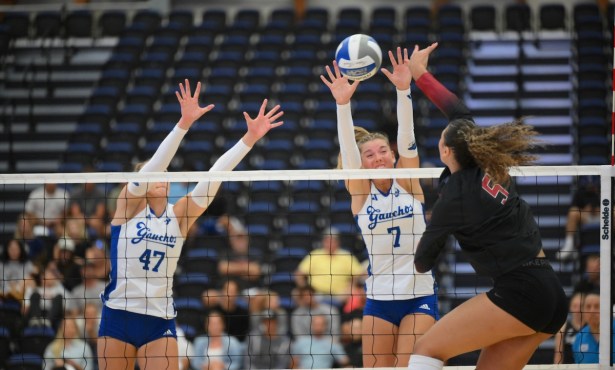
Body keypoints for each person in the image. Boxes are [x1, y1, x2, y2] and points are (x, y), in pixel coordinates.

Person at [98, 79, 283, 370]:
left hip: (159, 319)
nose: (160, 175)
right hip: (118, 313)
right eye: (153, 172)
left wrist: (248, 140)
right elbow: (156, 162)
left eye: (164, 172)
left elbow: (212, 177)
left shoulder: (179, 214)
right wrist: (183, 124)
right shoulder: (127, 209)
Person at [407, 43, 568, 370]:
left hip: (520, 291)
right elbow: (458, 113)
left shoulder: (455, 196)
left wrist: (436, 228)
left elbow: (423, 260)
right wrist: (419, 74)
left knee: (426, 348)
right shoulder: (487, 163)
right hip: (549, 291)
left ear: (447, 152)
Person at [320, 47, 438, 367]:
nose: (378, 157)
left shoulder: (409, 182)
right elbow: (347, 148)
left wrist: (404, 90)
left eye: (383, 151)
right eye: (369, 155)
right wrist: (342, 105)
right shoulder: (361, 193)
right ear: (362, 164)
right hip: (379, 299)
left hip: (418, 295)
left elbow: (408, 135)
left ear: (393, 154)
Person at [294, 229, 364, 308]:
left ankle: (349, 319)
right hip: (316, 294)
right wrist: (305, 289)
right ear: (323, 242)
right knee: (295, 292)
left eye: (333, 241)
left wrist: (351, 287)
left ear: (338, 242)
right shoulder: (314, 255)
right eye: (327, 241)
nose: (330, 243)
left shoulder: (346, 256)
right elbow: (299, 273)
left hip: (340, 295)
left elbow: (359, 273)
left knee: (358, 293)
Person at [572, 289, 615, 363]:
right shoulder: (579, 338)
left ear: (606, 309)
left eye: (597, 306)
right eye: (588, 307)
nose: (592, 311)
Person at [554, 291, 584, 364]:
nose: (577, 310)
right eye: (575, 306)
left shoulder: (591, 328)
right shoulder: (563, 329)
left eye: (581, 306)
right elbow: (558, 356)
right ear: (570, 307)